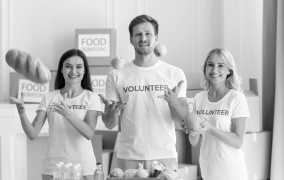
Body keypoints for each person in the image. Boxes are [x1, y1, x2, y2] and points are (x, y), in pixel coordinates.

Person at [99, 14, 188, 171]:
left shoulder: (174, 73)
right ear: (131, 39)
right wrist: (111, 113)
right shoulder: (116, 74)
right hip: (128, 156)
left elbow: (182, 119)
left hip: (164, 155)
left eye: (148, 34)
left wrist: (173, 102)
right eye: (138, 34)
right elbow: (109, 123)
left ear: (156, 38)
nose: (143, 38)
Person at [10, 49, 102, 180]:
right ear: (61, 70)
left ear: (85, 71)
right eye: (68, 66)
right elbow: (32, 133)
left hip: (84, 168)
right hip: (53, 168)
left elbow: (89, 133)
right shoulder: (49, 97)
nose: (73, 71)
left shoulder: (91, 97)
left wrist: (67, 113)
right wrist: (22, 112)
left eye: (79, 67)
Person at [167, 47, 249, 180]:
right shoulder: (199, 98)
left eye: (221, 66)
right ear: (205, 69)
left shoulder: (236, 98)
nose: (214, 70)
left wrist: (210, 128)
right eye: (210, 65)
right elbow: (194, 142)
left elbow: (238, 142)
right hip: (209, 171)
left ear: (229, 70)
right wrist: (193, 132)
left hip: (232, 172)